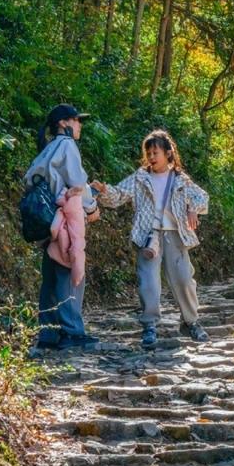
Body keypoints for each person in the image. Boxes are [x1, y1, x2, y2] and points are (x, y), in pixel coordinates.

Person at [94, 129, 210, 348]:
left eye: (155, 152)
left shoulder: (180, 179)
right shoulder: (140, 178)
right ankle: (149, 327)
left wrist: (193, 209)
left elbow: (201, 196)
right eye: (148, 152)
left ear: (168, 153)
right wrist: (103, 190)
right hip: (148, 236)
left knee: (184, 279)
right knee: (148, 282)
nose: (151, 156)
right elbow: (118, 195)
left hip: (175, 235)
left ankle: (191, 322)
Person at [24, 104, 102, 354]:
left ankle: (48, 334)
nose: (79, 126)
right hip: (64, 216)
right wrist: (91, 208)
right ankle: (71, 332)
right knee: (69, 272)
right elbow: (78, 183)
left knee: (50, 275)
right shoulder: (67, 146)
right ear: (63, 123)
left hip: (45, 217)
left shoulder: (48, 148)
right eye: (77, 121)